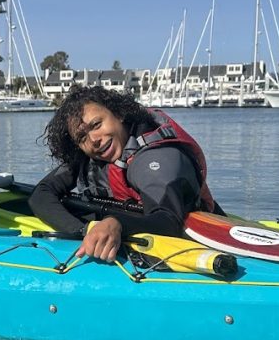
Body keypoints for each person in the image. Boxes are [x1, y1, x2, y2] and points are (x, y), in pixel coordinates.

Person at [28, 85, 220, 262]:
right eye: (82, 137)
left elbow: (169, 222)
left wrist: (117, 224)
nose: (94, 139)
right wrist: (84, 230)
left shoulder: (156, 158)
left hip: (197, 234)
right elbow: (41, 193)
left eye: (97, 125)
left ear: (118, 114)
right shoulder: (90, 157)